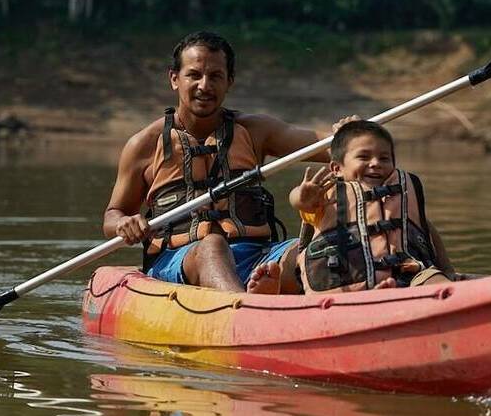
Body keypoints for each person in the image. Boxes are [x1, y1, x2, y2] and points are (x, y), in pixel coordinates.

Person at [103, 31, 332, 295]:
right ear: (174, 79)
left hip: (259, 255)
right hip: (178, 261)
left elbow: (330, 147)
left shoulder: (255, 130)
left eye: (215, 76)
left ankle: (270, 291)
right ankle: (245, 309)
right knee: (212, 245)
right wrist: (124, 223)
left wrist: (349, 134)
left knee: (317, 248)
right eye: (194, 75)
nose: (204, 85)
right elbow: (112, 215)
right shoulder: (144, 145)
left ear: (229, 82)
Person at [290, 119, 457, 293]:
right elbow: (300, 202)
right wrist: (302, 198)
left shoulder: (401, 197)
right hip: (348, 283)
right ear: (337, 168)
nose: (376, 163)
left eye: (384, 158)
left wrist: (447, 269)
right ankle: (382, 291)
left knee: (435, 279)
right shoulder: (324, 197)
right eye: (363, 157)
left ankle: (450, 294)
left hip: (410, 274)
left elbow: (427, 230)